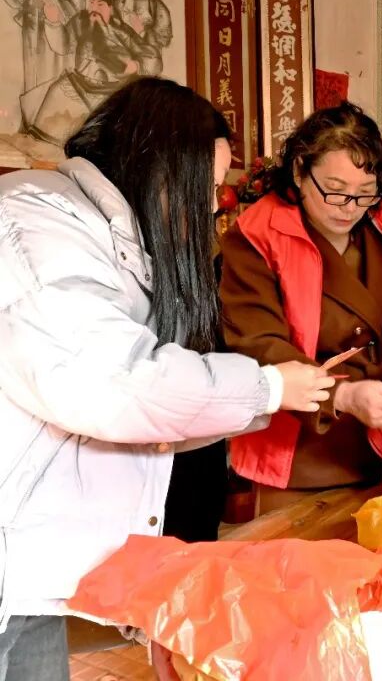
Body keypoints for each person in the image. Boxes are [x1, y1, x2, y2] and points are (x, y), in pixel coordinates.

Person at [0, 77, 331, 681]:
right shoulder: (36, 219)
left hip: (27, 565)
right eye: (204, 188)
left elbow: (141, 420)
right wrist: (269, 387)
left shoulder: (115, 240)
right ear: (157, 165)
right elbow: (113, 384)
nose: (211, 208)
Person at [219, 102, 382, 513]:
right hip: (302, 456)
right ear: (299, 172)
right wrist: (343, 396)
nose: (349, 207)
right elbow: (259, 345)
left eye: (365, 193)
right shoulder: (258, 235)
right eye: (335, 189)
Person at [24, 0, 161, 145]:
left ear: (110, 8)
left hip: (112, 91)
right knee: (55, 94)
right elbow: (62, 46)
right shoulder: (80, 23)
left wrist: (137, 65)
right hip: (79, 84)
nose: (94, 9)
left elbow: (153, 58)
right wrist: (53, 22)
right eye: (92, 3)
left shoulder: (122, 31)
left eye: (100, 5)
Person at [0, 0, 84, 95]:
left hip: (59, 36)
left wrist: (53, 10)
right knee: (32, 75)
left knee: (53, 77)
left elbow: (77, 10)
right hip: (32, 31)